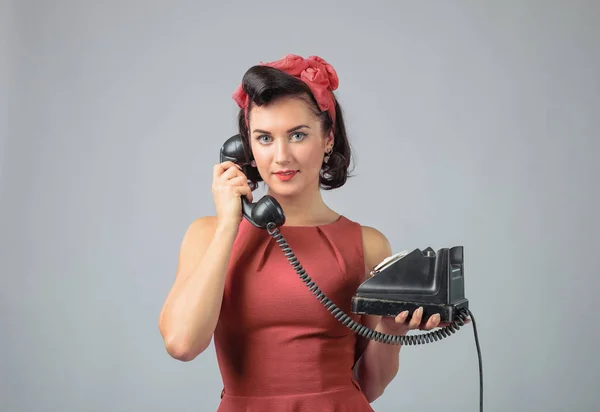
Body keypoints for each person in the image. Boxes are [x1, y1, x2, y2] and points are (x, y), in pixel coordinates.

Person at [158, 54, 443, 411]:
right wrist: (230, 224)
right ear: (245, 149)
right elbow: (182, 344)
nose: (281, 156)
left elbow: (370, 385)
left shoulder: (368, 244)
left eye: (297, 135)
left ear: (328, 139)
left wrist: (391, 327)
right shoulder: (208, 235)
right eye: (264, 138)